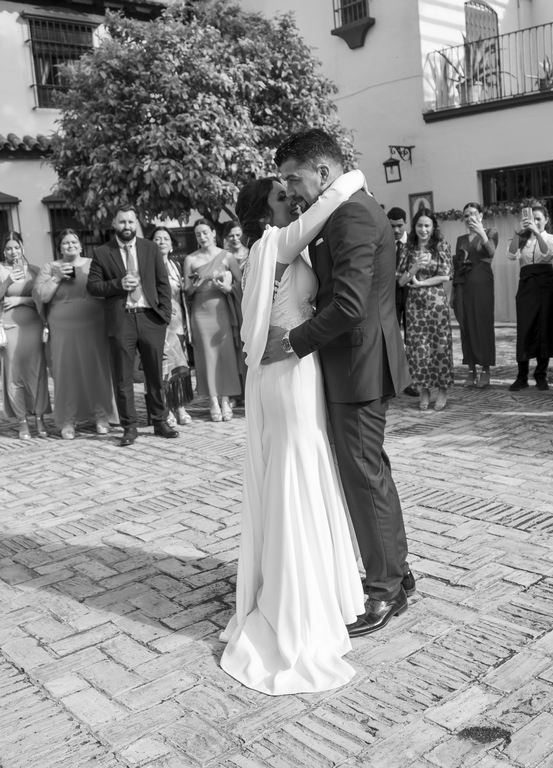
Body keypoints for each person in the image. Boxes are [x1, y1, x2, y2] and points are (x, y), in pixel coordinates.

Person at [220, 168, 368, 695]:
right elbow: (328, 204)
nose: (293, 199)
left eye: (290, 193)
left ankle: (312, 585)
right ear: (267, 211)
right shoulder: (274, 242)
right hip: (287, 373)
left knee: (304, 472)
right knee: (294, 475)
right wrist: (350, 176)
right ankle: (293, 600)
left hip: (294, 369)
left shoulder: (277, 248)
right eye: (283, 196)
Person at [265, 128, 413, 639]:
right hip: (359, 361)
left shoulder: (350, 214)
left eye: (293, 178)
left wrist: (290, 342)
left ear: (323, 172)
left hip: (357, 364)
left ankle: (384, 589)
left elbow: (349, 305)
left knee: (363, 478)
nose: (289, 189)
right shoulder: (346, 208)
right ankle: (397, 571)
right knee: (372, 472)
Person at [87, 205, 177, 446]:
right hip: (121, 320)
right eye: (122, 222)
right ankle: (129, 427)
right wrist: (118, 284)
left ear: (136, 222)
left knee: (155, 374)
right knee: (123, 377)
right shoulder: (102, 253)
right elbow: (93, 286)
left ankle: (160, 421)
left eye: (130, 221)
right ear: (114, 224)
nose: (126, 226)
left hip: (150, 318)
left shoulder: (150, 248)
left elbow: (162, 284)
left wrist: (164, 316)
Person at [34, 230, 114, 439]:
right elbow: (42, 296)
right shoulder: (50, 267)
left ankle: (101, 415)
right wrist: (57, 277)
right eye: (65, 243)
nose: (70, 245)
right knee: (66, 371)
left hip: (94, 325)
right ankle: (67, 420)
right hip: (63, 329)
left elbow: (106, 288)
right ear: (59, 248)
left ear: (81, 245)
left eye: (74, 241)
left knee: (96, 369)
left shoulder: (94, 264)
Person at [0, 232, 50, 439]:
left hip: (33, 327)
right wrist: (6, 282)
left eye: (16, 247)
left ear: (22, 247)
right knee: (14, 373)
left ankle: (39, 417)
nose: (13, 252)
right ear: (3, 251)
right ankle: (22, 420)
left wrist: (21, 301)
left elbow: (43, 298)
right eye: (8, 248)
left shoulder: (35, 270)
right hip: (9, 328)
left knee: (37, 372)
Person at [183, 218, 243, 422]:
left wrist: (228, 288)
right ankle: (213, 401)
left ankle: (226, 399)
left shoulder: (227, 256)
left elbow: (241, 283)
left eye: (205, 232)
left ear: (213, 233)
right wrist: (194, 285)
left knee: (225, 354)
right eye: (198, 234)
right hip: (200, 311)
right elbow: (186, 291)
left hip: (222, 310)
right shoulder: (190, 259)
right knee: (206, 356)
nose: (202, 237)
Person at [400, 209, 455, 410]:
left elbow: (446, 275)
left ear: (433, 227)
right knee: (418, 348)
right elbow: (401, 280)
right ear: (414, 227)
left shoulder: (441, 246)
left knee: (440, 346)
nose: (423, 229)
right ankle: (424, 390)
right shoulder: (408, 248)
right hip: (415, 305)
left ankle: (442, 389)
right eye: (419, 225)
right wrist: (414, 267)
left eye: (427, 225)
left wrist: (422, 283)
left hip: (436, 303)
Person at [507, 202, 553, 391]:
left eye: (538, 219)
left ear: (546, 220)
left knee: (544, 327)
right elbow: (511, 255)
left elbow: (548, 255)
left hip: (546, 285)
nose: (535, 222)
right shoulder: (522, 239)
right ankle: (521, 376)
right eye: (532, 219)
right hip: (527, 285)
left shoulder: (552, 238)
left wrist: (537, 234)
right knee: (525, 328)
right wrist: (518, 233)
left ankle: (541, 375)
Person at [150, 226, 193, 426]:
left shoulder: (176, 265)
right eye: (157, 239)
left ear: (172, 244)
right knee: (163, 367)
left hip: (178, 324)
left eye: (166, 239)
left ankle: (180, 405)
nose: (162, 242)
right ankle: (165, 409)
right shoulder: (147, 265)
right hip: (159, 322)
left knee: (180, 366)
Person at [452, 202, 497, 389]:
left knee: (483, 324)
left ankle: (485, 369)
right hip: (463, 286)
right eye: (466, 215)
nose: (469, 217)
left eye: (473, 213)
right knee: (466, 326)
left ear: (480, 216)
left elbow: (491, 252)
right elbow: (457, 266)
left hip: (482, 285)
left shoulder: (491, 232)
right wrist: (453, 291)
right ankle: (471, 369)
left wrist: (481, 232)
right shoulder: (460, 239)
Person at [389, 207, 419, 399]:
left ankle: (411, 380)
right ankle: (394, 381)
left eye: (399, 225)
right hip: (389, 295)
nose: (396, 230)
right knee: (392, 337)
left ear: (406, 223)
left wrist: (402, 280)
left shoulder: (414, 243)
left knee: (412, 338)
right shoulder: (384, 242)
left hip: (411, 293)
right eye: (392, 226)